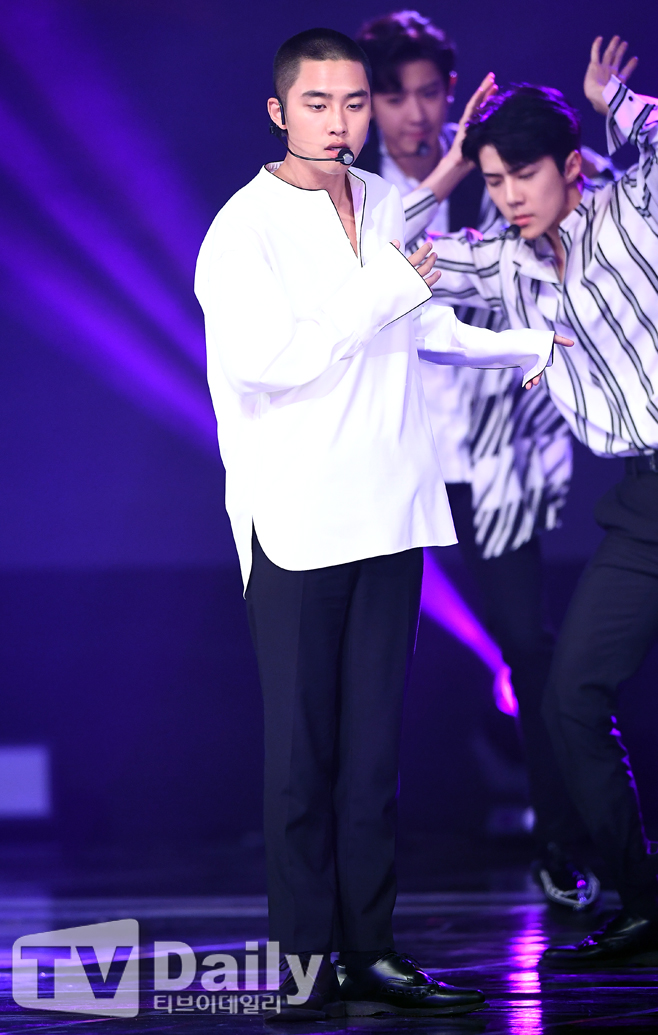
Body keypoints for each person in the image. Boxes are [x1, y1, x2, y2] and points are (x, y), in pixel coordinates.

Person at [194, 27, 568, 1018]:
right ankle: (302, 963)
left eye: (354, 103)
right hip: (296, 519)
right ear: (279, 112)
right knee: (301, 760)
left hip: (391, 511)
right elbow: (271, 361)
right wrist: (391, 286)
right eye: (318, 104)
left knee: (373, 757)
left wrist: (525, 344)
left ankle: (372, 949)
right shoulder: (243, 229)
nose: (341, 122)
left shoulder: (387, 204)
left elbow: (421, 324)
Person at [422, 34, 658, 965]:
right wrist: (448, 171)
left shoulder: (633, 209)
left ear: (570, 167)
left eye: (525, 174)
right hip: (642, 504)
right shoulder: (502, 262)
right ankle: (642, 896)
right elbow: (389, 266)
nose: (511, 194)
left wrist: (617, 106)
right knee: (567, 697)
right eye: (496, 178)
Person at [355, 9, 599, 910]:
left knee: (528, 648)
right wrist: (450, 169)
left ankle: (561, 841)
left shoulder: (504, 175)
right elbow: (364, 287)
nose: (415, 114)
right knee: (374, 661)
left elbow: (584, 200)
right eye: (394, 97)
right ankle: (363, 863)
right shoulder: (361, 199)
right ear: (369, 105)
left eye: (429, 93)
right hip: (395, 462)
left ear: (451, 92)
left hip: (498, 460)